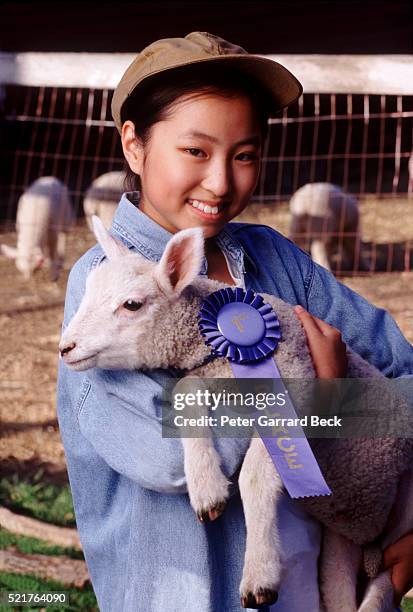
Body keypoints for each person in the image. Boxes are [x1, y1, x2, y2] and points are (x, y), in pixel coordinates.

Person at [57, 32, 413, 612]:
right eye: (195, 152)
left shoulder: (279, 261)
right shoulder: (102, 288)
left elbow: (404, 375)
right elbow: (166, 458)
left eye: (244, 155)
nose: (221, 182)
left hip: (311, 592)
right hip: (183, 596)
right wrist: (324, 398)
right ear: (134, 146)